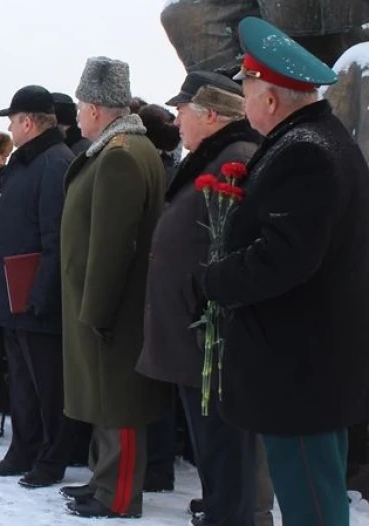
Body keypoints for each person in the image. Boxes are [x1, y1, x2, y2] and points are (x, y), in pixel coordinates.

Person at [202, 17, 369, 526]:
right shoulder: (315, 140)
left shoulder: (306, 153)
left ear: (270, 99)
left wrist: (213, 280)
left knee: (310, 501)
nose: (244, 101)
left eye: (247, 88)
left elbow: (284, 258)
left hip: (299, 367)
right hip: (310, 363)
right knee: (312, 489)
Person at [135, 69, 275, 526]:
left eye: (182, 112)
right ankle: (221, 510)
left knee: (223, 442)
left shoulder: (238, 158)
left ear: (210, 115)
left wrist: (207, 305)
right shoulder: (211, 157)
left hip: (211, 333)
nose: (177, 122)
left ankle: (229, 516)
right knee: (211, 445)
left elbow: (238, 244)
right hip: (195, 330)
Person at [59, 57, 170, 519]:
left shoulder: (121, 154)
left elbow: (112, 245)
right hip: (101, 301)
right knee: (104, 400)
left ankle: (119, 494)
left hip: (110, 306)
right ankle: (103, 479)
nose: (80, 114)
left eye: (83, 106)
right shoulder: (114, 149)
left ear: (99, 108)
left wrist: (97, 310)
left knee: (118, 403)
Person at [0, 85, 76, 487]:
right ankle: (23, 450)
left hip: (35, 295)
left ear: (28, 122)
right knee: (21, 381)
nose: (11, 130)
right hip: (13, 294)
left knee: (47, 385)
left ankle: (51, 459)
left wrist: (42, 292)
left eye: (13, 121)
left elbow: (55, 236)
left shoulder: (54, 163)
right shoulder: (27, 162)